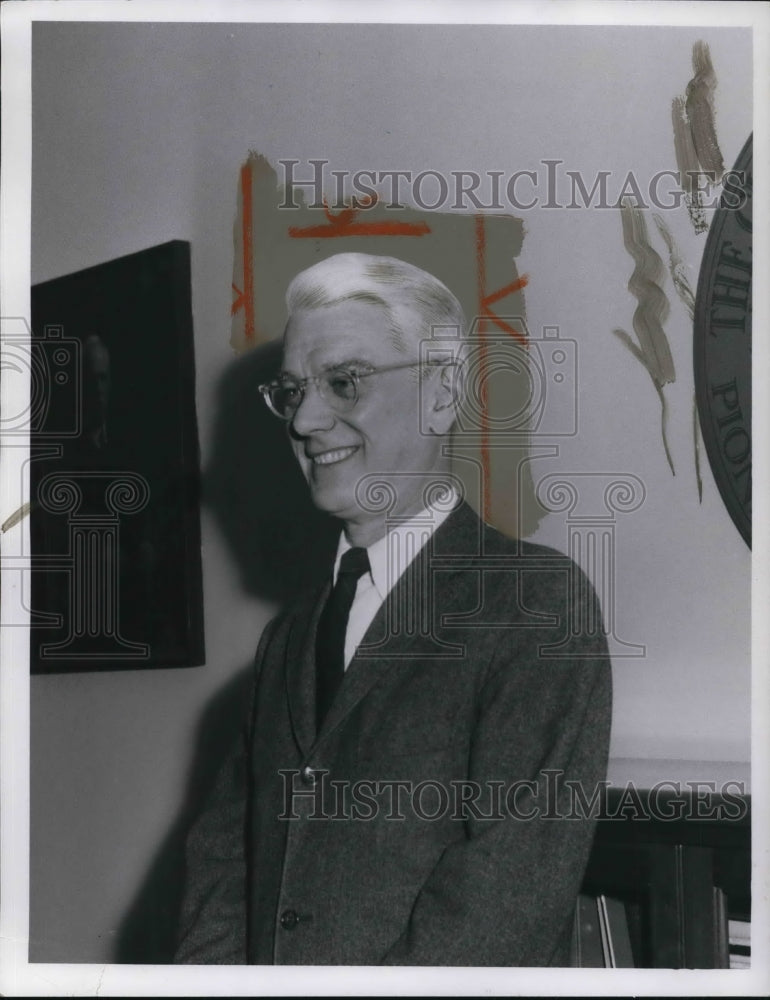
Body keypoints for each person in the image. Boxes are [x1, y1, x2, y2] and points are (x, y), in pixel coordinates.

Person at [175, 253, 612, 966]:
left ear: (442, 395)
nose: (308, 420)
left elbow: (505, 898)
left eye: (344, 382)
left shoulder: (534, 605)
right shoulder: (288, 637)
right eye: (291, 392)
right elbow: (224, 862)